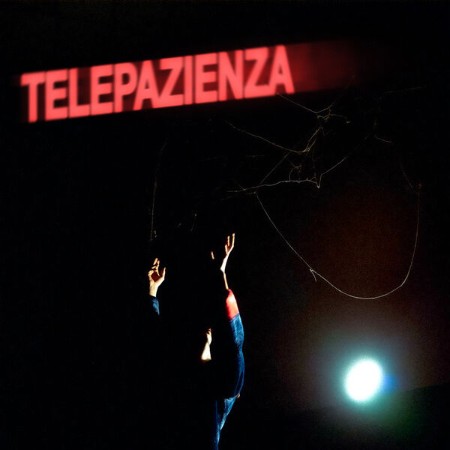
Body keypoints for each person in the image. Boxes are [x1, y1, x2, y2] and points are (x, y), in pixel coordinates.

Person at [147, 233, 245, 450]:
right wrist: (152, 291)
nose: (207, 330)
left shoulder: (221, 387)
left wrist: (220, 275)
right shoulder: (183, 378)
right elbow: (154, 342)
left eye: (210, 331)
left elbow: (233, 342)